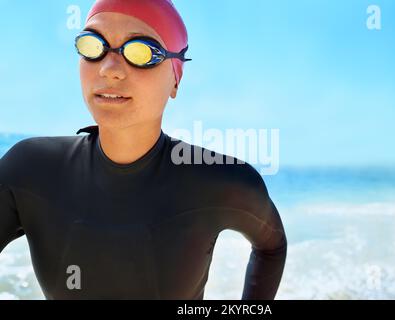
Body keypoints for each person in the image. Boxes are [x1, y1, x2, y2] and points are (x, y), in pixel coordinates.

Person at [0, 0, 287, 299]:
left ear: (176, 80)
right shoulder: (30, 171)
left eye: (141, 52)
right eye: (93, 45)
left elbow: (272, 246)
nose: (109, 70)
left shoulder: (220, 183)